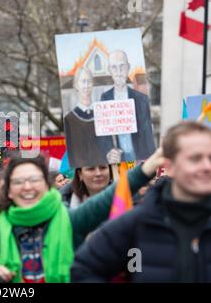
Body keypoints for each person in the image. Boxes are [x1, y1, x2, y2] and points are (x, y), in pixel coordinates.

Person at [0, 149, 164, 283]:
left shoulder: (69, 221)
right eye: (19, 181)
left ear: (47, 185)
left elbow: (106, 199)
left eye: (34, 179)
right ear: (9, 191)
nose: (27, 187)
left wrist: (149, 166)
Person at [71, 121, 211, 283]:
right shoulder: (138, 223)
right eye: (195, 159)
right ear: (169, 166)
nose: (207, 166)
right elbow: (83, 270)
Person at [97, 50, 155, 163]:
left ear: (128, 68)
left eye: (122, 67)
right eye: (114, 68)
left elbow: (146, 133)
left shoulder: (141, 99)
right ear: (109, 70)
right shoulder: (105, 98)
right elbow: (102, 135)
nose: (118, 72)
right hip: (117, 159)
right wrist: (108, 153)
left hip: (139, 157)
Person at [64, 67, 107, 168]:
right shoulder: (69, 119)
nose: (86, 86)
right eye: (83, 81)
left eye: (89, 82)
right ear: (76, 85)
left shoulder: (103, 114)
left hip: (104, 169)